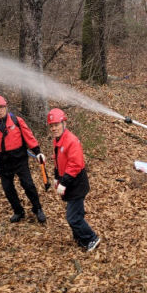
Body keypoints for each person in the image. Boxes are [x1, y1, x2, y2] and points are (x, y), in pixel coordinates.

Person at [0, 95, 46, 223]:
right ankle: (18, 211)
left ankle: (37, 208)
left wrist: (37, 152)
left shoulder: (17, 121)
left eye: (1, 107)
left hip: (19, 159)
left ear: (6, 107)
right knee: (8, 188)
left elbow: (29, 136)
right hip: (3, 162)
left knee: (28, 185)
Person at [47, 108, 101, 252]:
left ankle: (91, 238)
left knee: (72, 218)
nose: (54, 128)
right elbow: (58, 160)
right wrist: (56, 177)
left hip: (76, 183)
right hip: (68, 181)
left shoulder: (71, 140)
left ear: (64, 123)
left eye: (56, 125)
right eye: (51, 126)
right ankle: (79, 237)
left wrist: (63, 182)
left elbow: (75, 164)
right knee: (77, 213)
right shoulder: (57, 140)